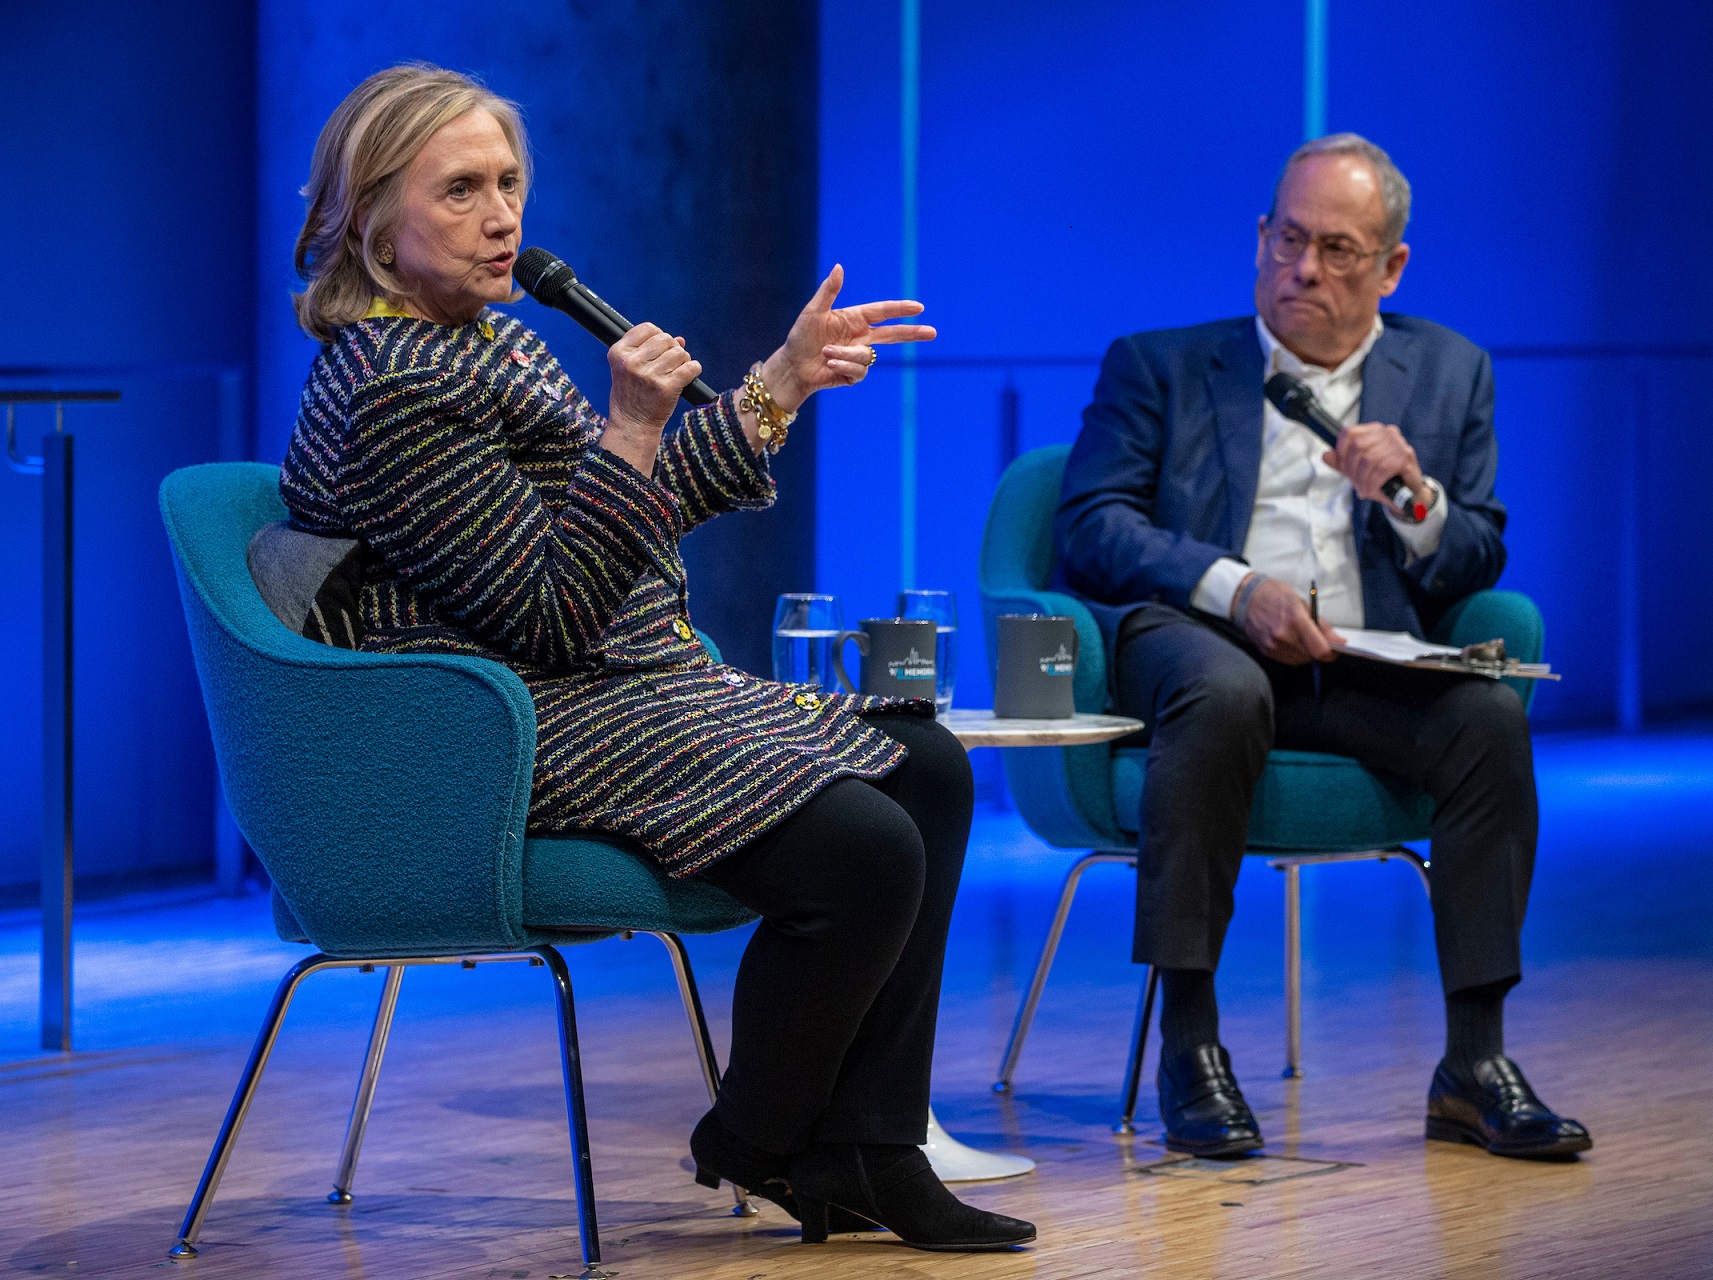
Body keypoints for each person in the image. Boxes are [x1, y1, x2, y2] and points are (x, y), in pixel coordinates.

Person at [280, 63, 1034, 1251]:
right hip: (514, 717)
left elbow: (608, 521)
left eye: (511, 182)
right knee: (862, 848)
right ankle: (764, 1135)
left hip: (613, 680)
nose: (502, 217)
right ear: (369, 221)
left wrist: (775, 386)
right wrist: (631, 426)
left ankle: (871, 1143)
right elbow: (547, 609)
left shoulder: (483, 345)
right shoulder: (388, 389)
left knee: (926, 763)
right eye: (461, 190)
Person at [1054, 133, 1590, 1161]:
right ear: (1259, 238)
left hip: (1359, 657)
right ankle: (1191, 1042)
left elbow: (1474, 551)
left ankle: (1475, 1061)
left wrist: (1418, 499)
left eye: (1338, 249)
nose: (1303, 269)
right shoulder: (1161, 363)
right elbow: (1090, 525)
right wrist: (1233, 584)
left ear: (1391, 265)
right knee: (1221, 692)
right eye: (1288, 239)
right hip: (1203, 641)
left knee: (1486, 721)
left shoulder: (1447, 368)